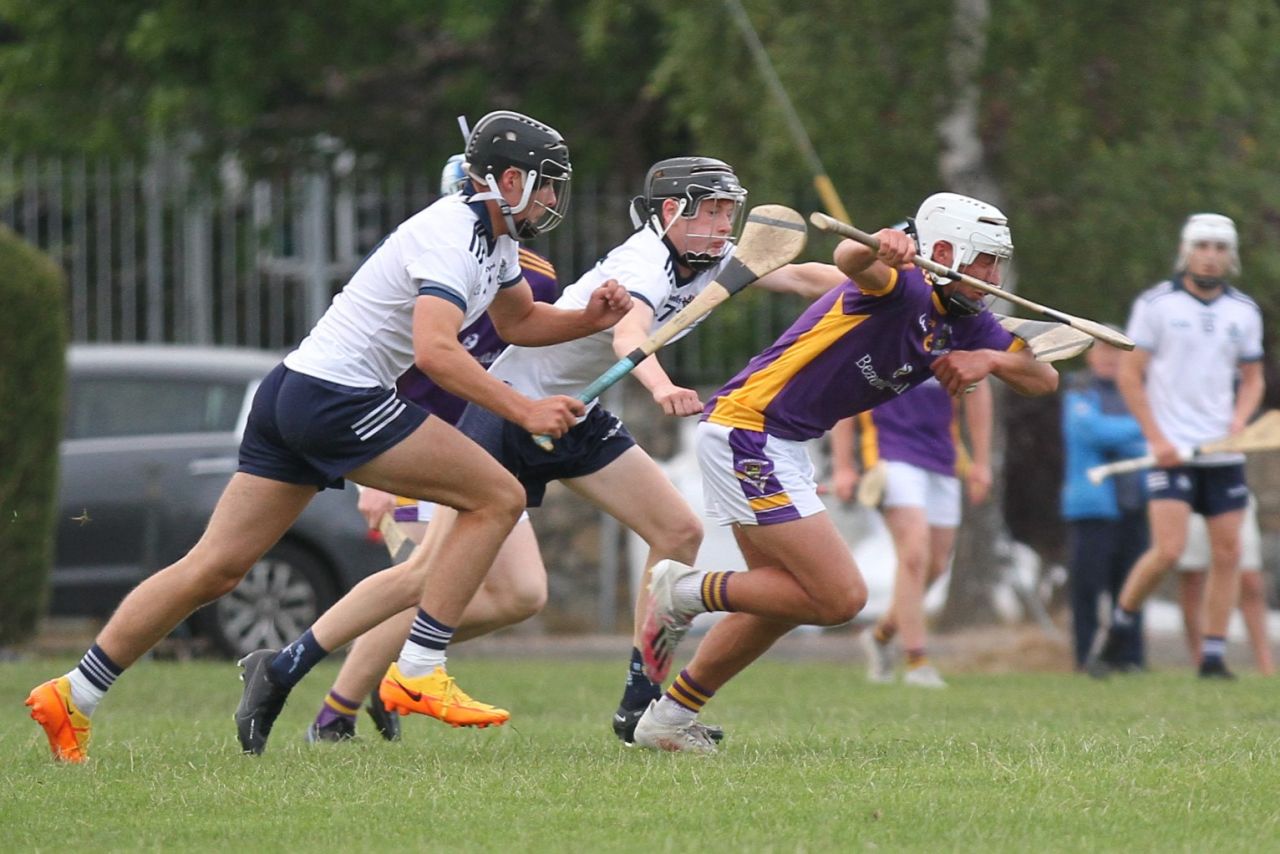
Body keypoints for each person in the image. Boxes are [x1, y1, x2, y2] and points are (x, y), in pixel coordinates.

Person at [25, 110, 633, 763]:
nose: (550, 198)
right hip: (335, 397)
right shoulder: (453, 236)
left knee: (215, 568)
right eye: (545, 184)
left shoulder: (498, 241)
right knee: (496, 496)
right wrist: (523, 410)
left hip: (292, 390)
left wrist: (585, 320)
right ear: (508, 178)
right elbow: (434, 352)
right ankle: (419, 671)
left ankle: (73, 694)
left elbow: (518, 322)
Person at [263, 155, 842, 754]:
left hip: (575, 416)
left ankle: (640, 700)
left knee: (676, 531)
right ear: (673, 211)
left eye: (730, 211)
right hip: (511, 414)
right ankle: (304, 682)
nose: (727, 224)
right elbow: (628, 332)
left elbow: (803, 279)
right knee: (425, 576)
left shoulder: (711, 256)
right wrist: (662, 385)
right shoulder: (642, 261)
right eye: (715, 211)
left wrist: (884, 283)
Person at [634, 192, 1059, 753]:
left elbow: (1043, 378)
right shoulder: (901, 283)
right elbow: (851, 262)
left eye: (998, 262)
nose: (993, 274)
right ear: (946, 251)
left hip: (778, 442)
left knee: (780, 600)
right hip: (749, 430)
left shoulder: (968, 322)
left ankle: (667, 719)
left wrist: (994, 359)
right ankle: (684, 591)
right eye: (983, 259)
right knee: (839, 599)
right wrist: (883, 243)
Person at [306, 154, 562, 743]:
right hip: (403, 446)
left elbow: (528, 345)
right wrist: (374, 477)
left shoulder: (530, 276)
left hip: (476, 453)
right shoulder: (432, 260)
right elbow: (382, 366)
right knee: (420, 578)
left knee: (523, 593)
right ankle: (334, 714)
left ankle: (403, 666)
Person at [1089, 213, 1264, 680]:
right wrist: (1156, 437)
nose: (1211, 254)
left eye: (1219, 247)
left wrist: (1240, 419)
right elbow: (1130, 374)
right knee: (1168, 550)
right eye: (1202, 245)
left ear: (1231, 255)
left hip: (1222, 451)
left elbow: (1253, 378)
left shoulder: (1243, 312)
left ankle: (1212, 655)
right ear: (1186, 250)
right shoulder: (1156, 305)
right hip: (1172, 449)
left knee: (1227, 553)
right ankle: (1119, 628)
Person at [836, 375, 994, 689]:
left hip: (943, 457)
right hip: (889, 455)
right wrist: (844, 465)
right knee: (914, 554)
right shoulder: (879, 331)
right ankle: (917, 661)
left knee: (934, 566)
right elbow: (845, 391)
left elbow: (978, 390)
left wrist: (981, 462)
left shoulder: (955, 333)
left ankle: (881, 636)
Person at [1060, 336, 1149, 671]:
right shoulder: (1079, 389)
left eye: (1117, 351)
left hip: (1134, 503)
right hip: (1093, 506)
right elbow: (1090, 431)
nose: (1110, 358)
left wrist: (1130, 436)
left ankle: (1130, 657)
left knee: (1132, 585)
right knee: (1088, 586)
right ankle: (1086, 656)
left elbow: (1151, 445)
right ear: (1090, 357)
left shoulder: (1137, 392)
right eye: (1104, 350)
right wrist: (1140, 427)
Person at [1176, 494, 1272, 675]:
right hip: (1188, 491)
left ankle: (1265, 665)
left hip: (1229, 487)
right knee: (1193, 579)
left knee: (1250, 580)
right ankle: (1203, 662)